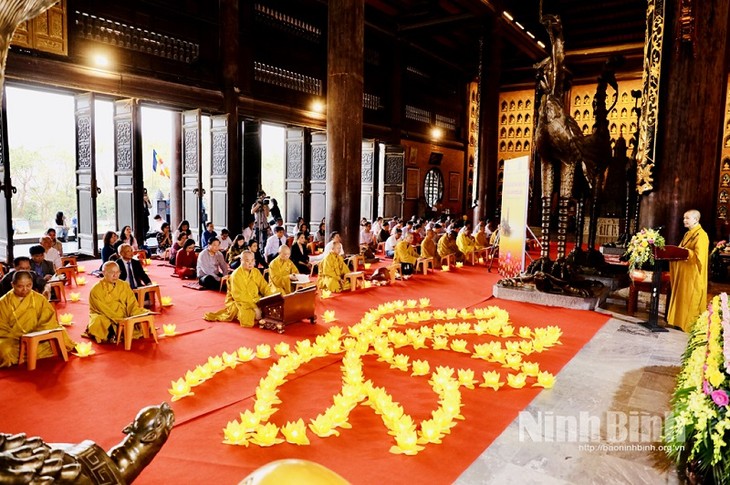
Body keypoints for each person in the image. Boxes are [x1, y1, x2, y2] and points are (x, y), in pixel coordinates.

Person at [0, 271, 76, 367]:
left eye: (29, 285)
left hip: (38, 335)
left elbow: (49, 320)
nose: (25, 289)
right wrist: (20, 336)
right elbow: (1, 327)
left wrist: (34, 335)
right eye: (20, 286)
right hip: (14, 339)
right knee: (4, 350)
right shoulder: (3, 302)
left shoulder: (39, 299)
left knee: (62, 335)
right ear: (12, 284)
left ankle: (30, 351)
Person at [203, 251, 274, 327]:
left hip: (256, 299)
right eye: (247, 261)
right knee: (248, 317)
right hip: (239, 302)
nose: (250, 263)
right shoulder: (236, 275)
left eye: (252, 260)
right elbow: (240, 296)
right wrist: (255, 308)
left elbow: (264, 286)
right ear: (241, 261)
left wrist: (272, 298)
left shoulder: (255, 271)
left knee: (272, 309)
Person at [668, 209, 710, 332]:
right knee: (682, 298)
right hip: (684, 273)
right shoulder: (688, 234)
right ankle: (679, 321)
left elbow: (699, 257)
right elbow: (681, 249)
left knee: (691, 300)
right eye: (684, 218)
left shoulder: (701, 235)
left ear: (696, 220)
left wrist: (685, 252)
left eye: (687, 218)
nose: (684, 221)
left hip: (693, 274)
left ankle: (689, 325)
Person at [85, 261, 148, 343]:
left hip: (125, 313)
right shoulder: (96, 289)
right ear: (104, 273)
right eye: (112, 272)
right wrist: (119, 319)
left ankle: (118, 332)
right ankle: (112, 333)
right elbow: (102, 309)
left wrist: (134, 314)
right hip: (106, 315)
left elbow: (132, 303)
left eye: (117, 272)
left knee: (144, 313)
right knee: (98, 321)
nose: (115, 275)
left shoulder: (124, 285)